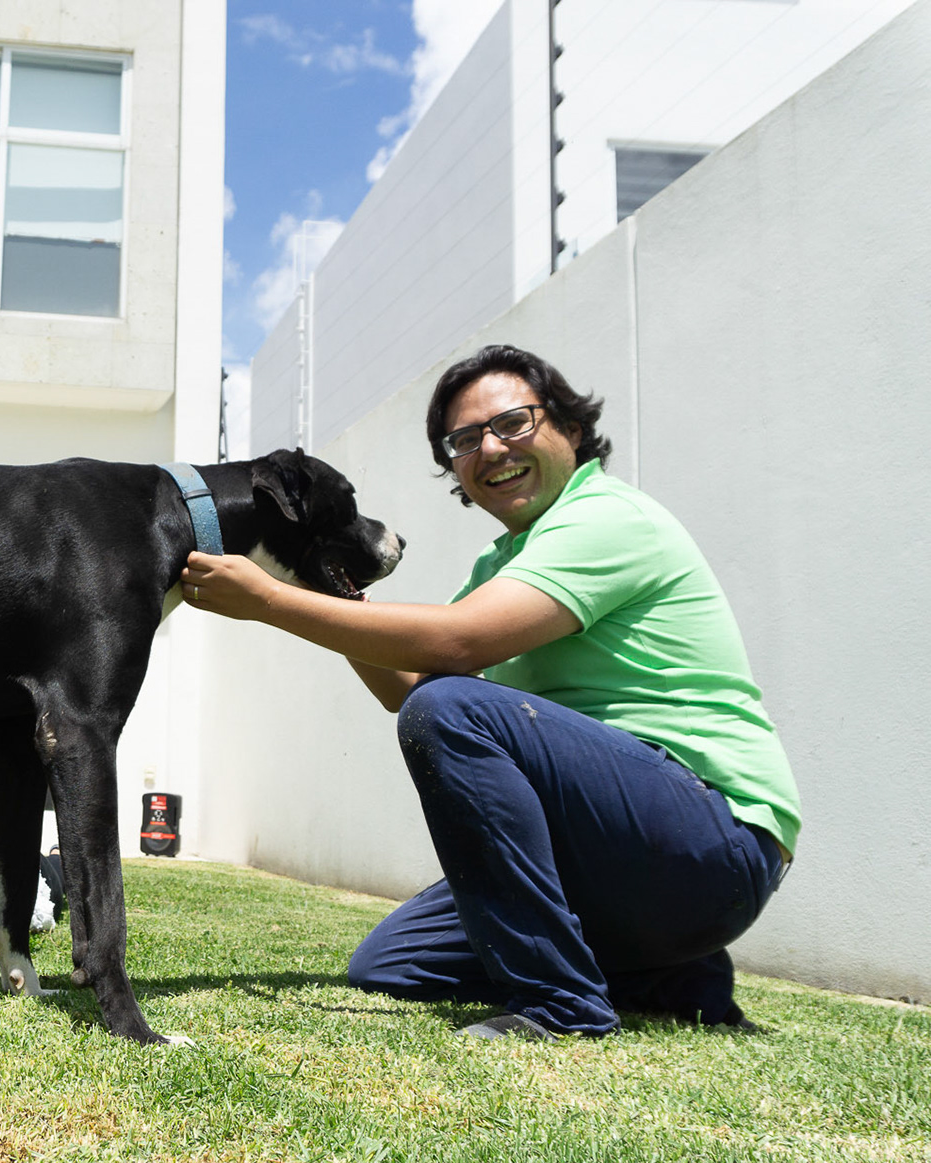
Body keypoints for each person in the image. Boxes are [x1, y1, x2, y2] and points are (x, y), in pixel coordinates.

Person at [180, 343, 799, 1040]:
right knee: (393, 963)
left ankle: (563, 1008)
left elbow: (454, 650)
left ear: (569, 425)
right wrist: (322, 582)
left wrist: (266, 601)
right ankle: (670, 971)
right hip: (616, 861)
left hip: (713, 840)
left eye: (514, 423)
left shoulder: (607, 519)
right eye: (465, 439)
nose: (491, 448)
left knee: (450, 712)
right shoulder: (505, 560)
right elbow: (406, 683)